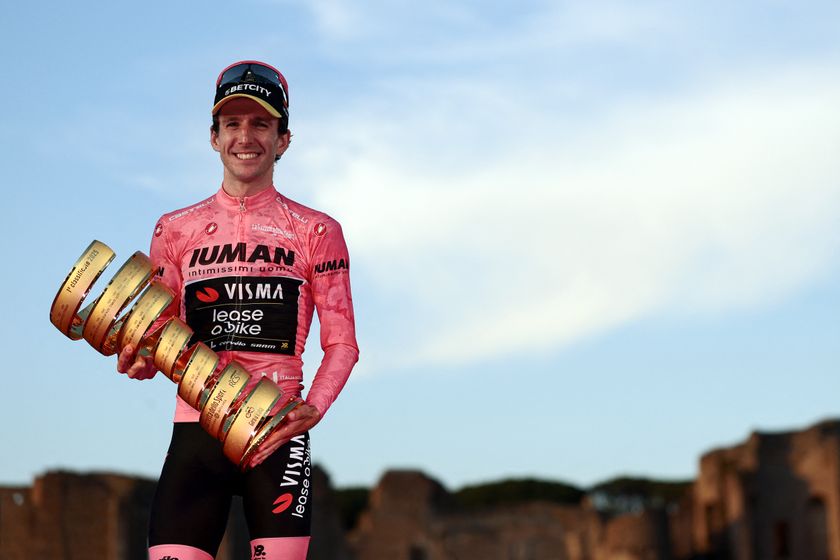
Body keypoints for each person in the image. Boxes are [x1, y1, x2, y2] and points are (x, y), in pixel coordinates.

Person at [116, 60, 359, 560]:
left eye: (261, 124)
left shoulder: (317, 231)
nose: (245, 137)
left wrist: (314, 406)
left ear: (283, 140)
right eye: (232, 124)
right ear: (214, 137)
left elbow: (342, 343)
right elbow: (160, 336)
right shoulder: (174, 229)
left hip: (277, 433)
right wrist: (138, 359)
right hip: (195, 434)